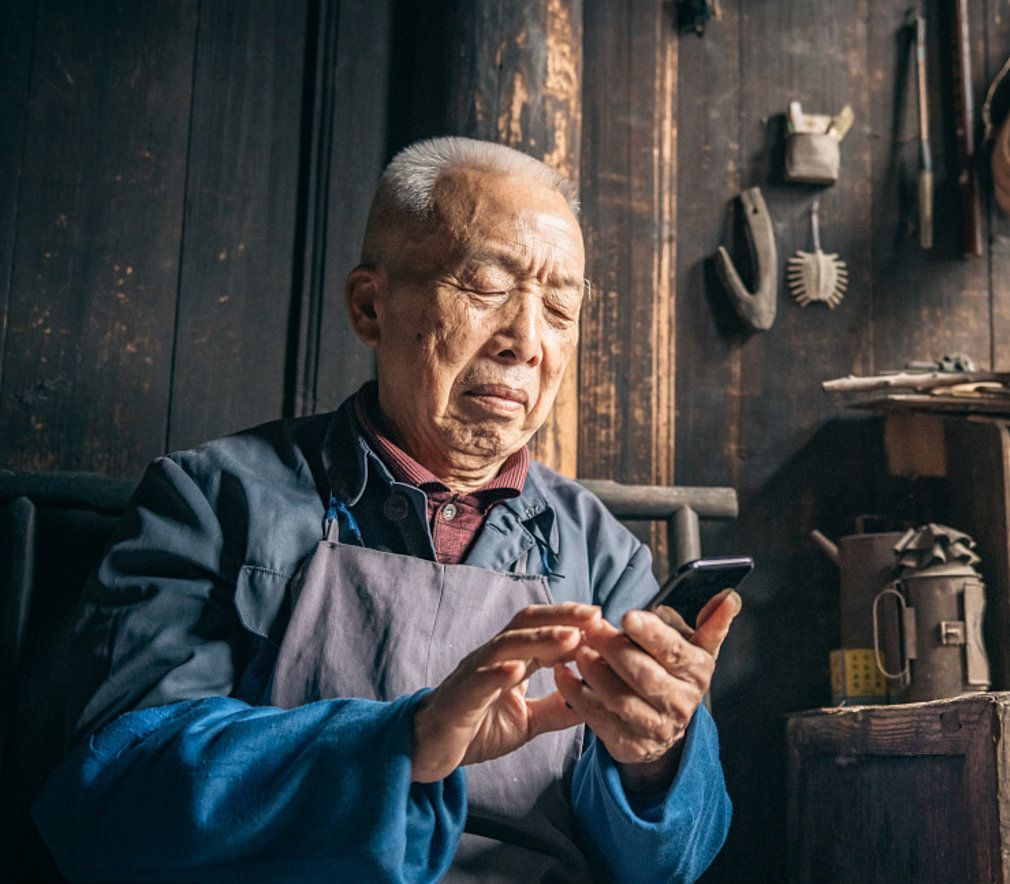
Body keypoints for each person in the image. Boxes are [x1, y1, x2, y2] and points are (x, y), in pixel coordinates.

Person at [32, 136, 740, 884]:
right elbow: (114, 802)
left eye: (560, 308)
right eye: (486, 288)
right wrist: (408, 739)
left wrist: (653, 762)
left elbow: (671, 866)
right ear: (370, 306)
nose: (527, 343)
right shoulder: (212, 500)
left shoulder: (602, 551)